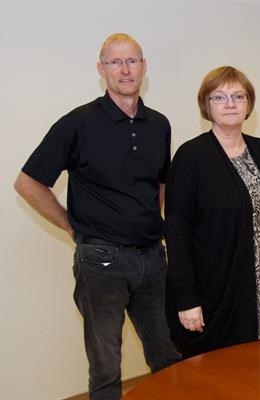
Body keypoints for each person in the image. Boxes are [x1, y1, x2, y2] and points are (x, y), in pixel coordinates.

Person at [14, 33, 180, 399]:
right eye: (115, 62)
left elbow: (161, 182)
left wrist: (147, 222)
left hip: (153, 258)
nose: (125, 70)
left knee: (168, 356)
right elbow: (27, 183)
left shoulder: (159, 124)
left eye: (132, 61)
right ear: (101, 69)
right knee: (106, 369)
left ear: (144, 67)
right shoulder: (78, 123)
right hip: (101, 262)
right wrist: (71, 226)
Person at [164, 66, 260, 358]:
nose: (230, 104)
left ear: (249, 104)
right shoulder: (190, 157)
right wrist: (186, 298)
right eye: (219, 97)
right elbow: (176, 230)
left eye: (238, 96)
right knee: (225, 373)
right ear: (206, 105)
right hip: (217, 296)